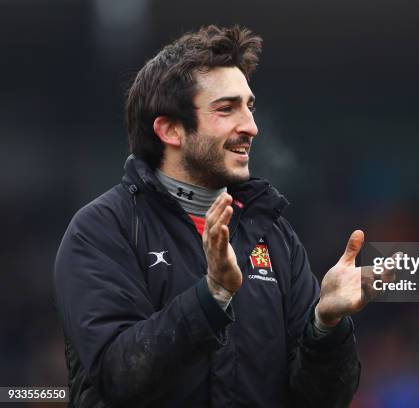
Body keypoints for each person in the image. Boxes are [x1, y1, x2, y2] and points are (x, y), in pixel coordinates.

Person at [54, 25, 385, 407]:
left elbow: (320, 400)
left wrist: (324, 327)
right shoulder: (102, 230)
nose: (251, 127)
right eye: (226, 109)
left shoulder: (273, 235)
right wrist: (212, 296)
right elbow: (118, 378)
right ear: (170, 130)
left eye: (250, 106)